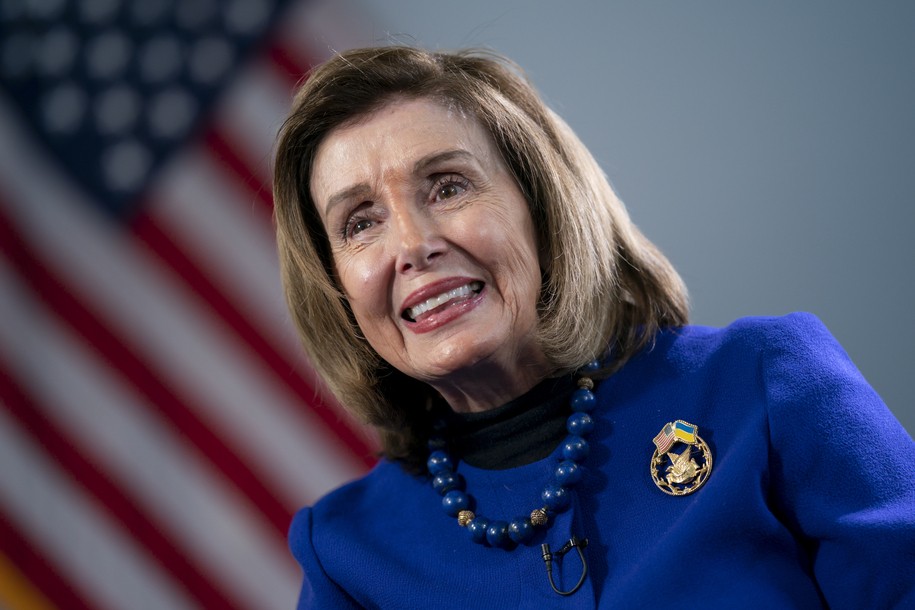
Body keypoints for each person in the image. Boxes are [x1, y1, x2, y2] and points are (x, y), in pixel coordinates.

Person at [272, 46, 915, 609]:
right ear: (336, 289)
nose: (412, 245)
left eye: (447, 187)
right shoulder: (347, 556)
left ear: (542, 208)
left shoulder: (764, 383)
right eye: (360, 222)